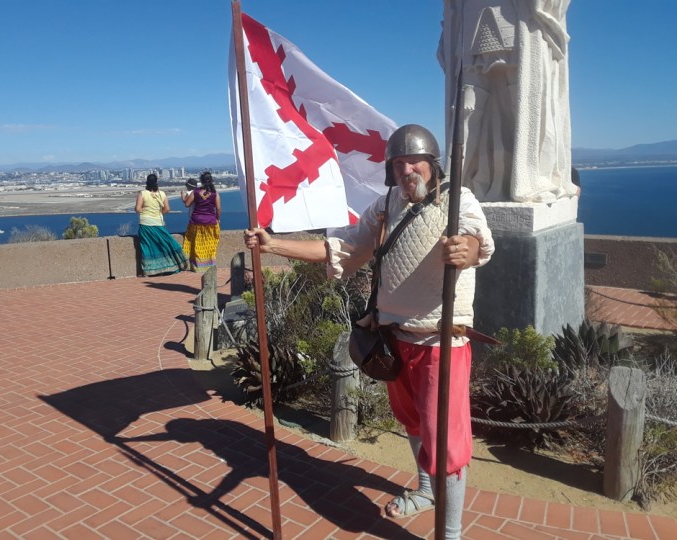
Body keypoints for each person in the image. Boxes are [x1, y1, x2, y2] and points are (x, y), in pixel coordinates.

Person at [244, 125, 494, 538]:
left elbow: (476, 240)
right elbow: (342, 248)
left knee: (446, 445)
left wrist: (464, 250)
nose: (405, 169)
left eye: (413, 161)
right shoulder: (384, 207)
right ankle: (427, 490)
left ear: (432, 165)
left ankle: (449, 534)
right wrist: (273, 246)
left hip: (439, 343)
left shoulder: (458, 200)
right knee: (411, 421)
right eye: (398, 163)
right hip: (393, 341)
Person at [438, 0, 578, 203]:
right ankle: (455, 179)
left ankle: (525, 174)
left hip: (515, 20)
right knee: (465, 107)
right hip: (470, 19)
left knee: (522, 103)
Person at [135, 173, 187, 276]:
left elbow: (137, 209)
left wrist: (146, 212)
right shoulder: (162, 194)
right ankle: (176, 263)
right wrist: (157, 213)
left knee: (147, 246)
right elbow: (167, 209)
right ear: (156, 183)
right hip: (158, 223)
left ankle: (149, 270)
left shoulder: (142, 194)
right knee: (166, 243)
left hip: (145, 224)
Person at [181, 172, 221, 271]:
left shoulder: (196, 192)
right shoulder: (214, 193)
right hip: (210, 222)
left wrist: (183, 197)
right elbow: (218, 208)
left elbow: (187, 204)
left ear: (201, 181)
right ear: (211, 180)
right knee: (210, 244)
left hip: (196, 221)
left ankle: (197, 266)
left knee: (195, 243)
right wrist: (217, 219)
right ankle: (209, 265)